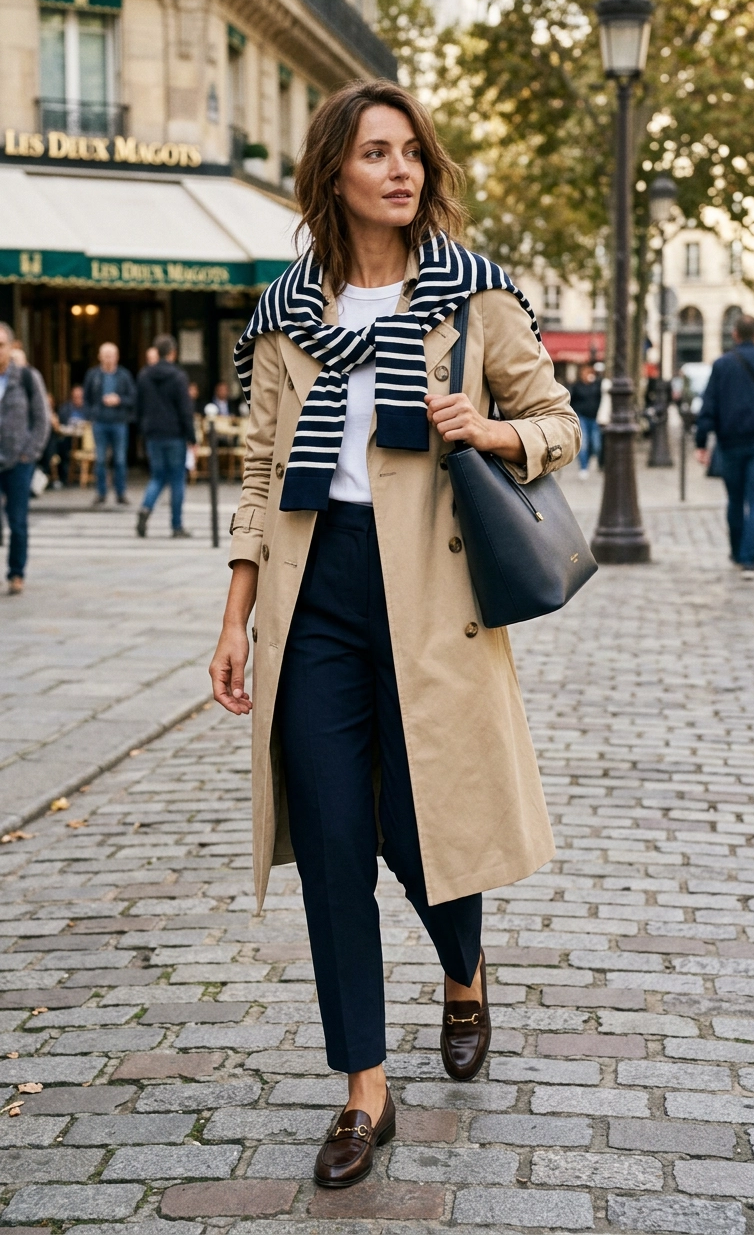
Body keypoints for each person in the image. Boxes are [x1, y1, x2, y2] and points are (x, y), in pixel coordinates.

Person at [208, 80, 580, 1188]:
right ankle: (362, 1085)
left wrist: (496, 429)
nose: (401, 169)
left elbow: (563, 423)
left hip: (433, 596)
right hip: (312, 592)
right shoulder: (284, 315)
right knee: (331, 835)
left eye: (412, 151)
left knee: (426, 825)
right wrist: (235, 619)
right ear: (335, 173)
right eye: (376, 152)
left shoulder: (473, 298)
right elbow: (261, 474)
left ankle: (463, 966)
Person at [696, 312, 754, 578]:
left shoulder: (722, 364)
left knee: (735, 500)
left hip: (731, 444)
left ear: (735, 334)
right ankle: (749, 561)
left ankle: (738, 554)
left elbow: (709, 404)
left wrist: (701, 441)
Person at [0, 322, 50, 593]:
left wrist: (29, 453)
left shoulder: (27, 378)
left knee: (18, 520)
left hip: (18, 460)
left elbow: (42, 420)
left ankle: (16, 573)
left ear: (11, 347)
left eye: (0, 345)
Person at [135, 333, 195, 538]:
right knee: (177, 479)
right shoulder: (178, 376)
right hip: (175, 433)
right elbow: (185, 409)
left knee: (158, 476)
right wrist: (192, 436)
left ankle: (145, 507)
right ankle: (176, 525)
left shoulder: (144, 375)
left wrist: (143, 431)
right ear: (172, 352)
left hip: (153, 433)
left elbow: (139, 407)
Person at [83, 342, 136, 507]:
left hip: (119, 422)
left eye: (111, 355)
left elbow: (133, 397)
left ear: (117, 357)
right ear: (99, 357)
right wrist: (92, 415)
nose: (108, 359)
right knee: (100, 460)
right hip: (100, 423)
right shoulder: (93, 375)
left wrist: (119, 400)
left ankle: (121, 493)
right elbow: (86, 398)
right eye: (105, 355)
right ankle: (101, 493)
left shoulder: (124, 375)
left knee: (120, 460)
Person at [569, 363, 602, 478]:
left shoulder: (597, 385)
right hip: (582, 417)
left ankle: (593, 458)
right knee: (584, 443)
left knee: (596, 443)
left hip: (595, 418)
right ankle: (583, 467)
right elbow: (571, 401)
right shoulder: (577, 386)